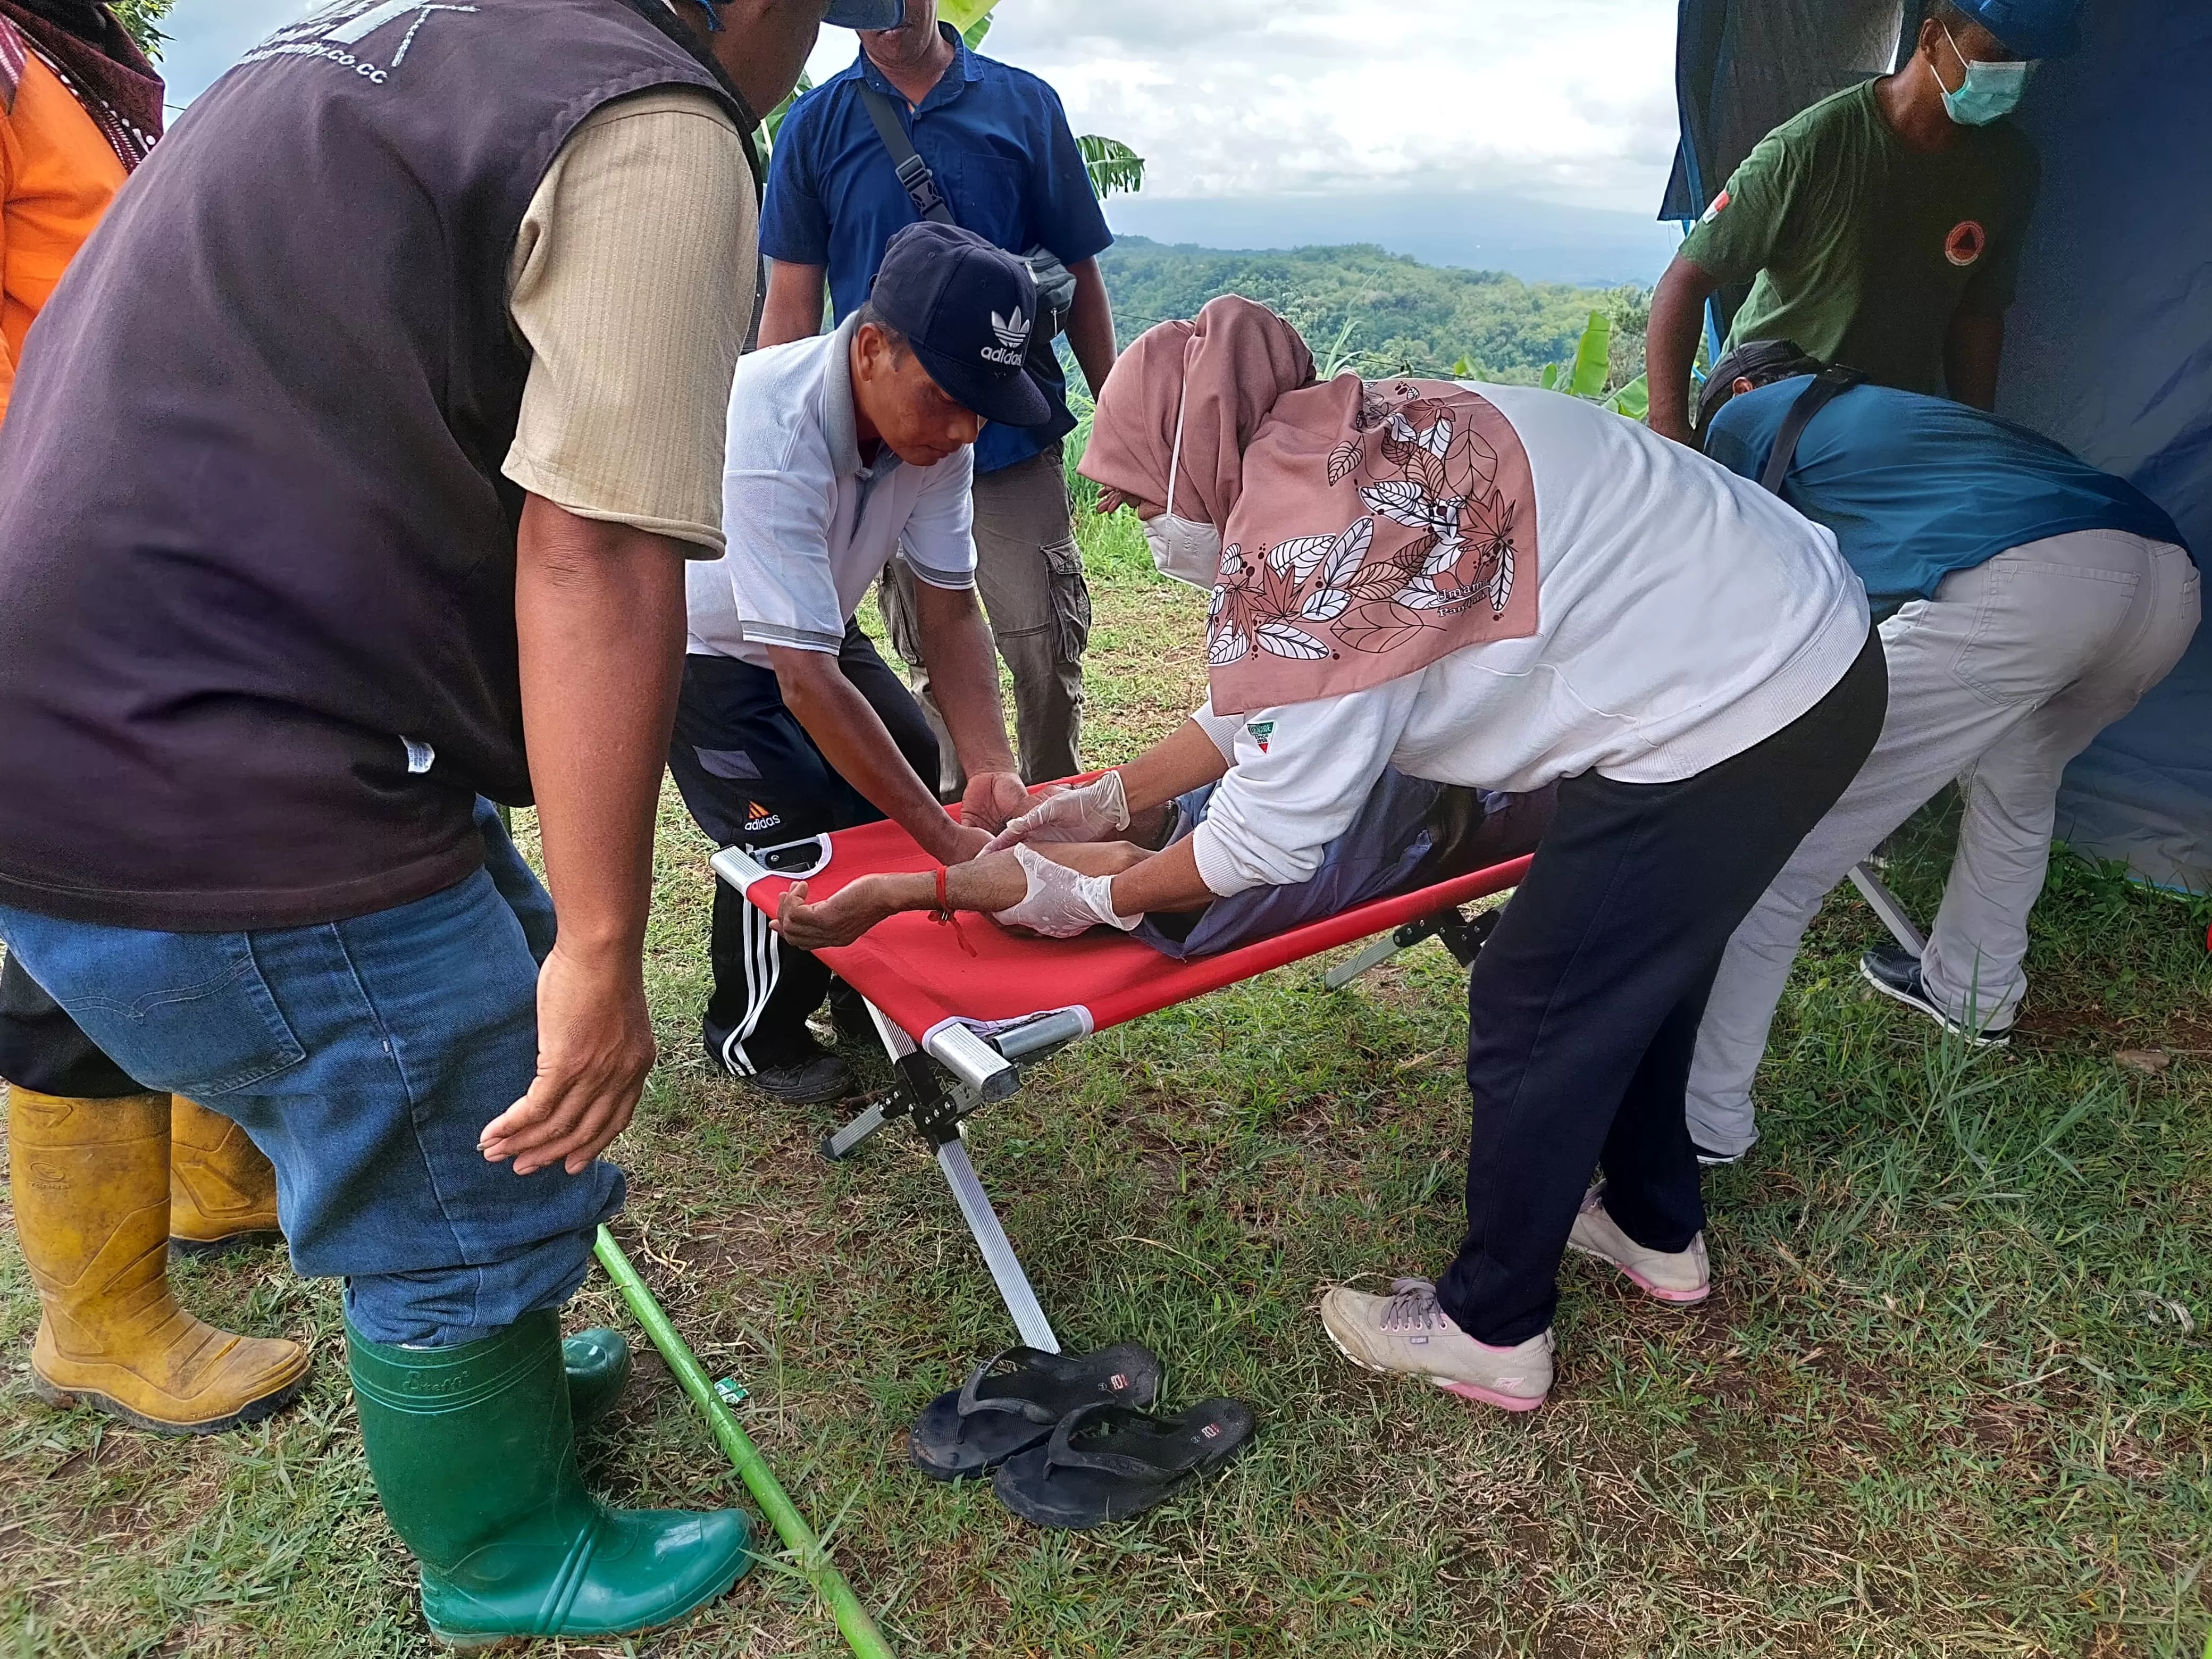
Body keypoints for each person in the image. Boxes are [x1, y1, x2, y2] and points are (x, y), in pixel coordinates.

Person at [0, 0, 900, 1641]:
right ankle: (500, 1541)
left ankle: (478, 1331)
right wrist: (613, 945)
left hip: (89, 709)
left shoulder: (375, 39)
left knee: (489, 977)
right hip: (211, 763)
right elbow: (601, 545)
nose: (809, 67)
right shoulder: (656, 118)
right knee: (455, 1126)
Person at [784, 296, 1890, 1414]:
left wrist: (1099, 894)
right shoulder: (1341, 442)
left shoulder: (1312, 541)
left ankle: (1492, 1327)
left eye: (1124, 480)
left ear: (1189, 448)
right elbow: (1268, 710)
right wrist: (1113, 797)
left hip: (1740, 702)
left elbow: (1269, 831)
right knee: (1632, 971)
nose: (1114, 503)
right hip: (1799, 649)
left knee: (1534, 1003)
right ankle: (1655, 1226)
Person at [0, 0, 315, 1435]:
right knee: (63, 933)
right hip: (38, 578)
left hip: (124, 557)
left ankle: (209, 1179)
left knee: (182, 871)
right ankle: (102, 1321)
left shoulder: (74, 62)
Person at [1679, 342, 2199, 1161]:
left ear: (1743, 387)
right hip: (2167, 584)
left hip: (2030, 586)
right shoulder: (1912, 416)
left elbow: (1732, 572)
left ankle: (1699, 1122)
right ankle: (1973, 992)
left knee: (1777, 849)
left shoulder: (1749, 415)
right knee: (2016, 788)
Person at [672, 220, 1037, 1103]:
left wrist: (988, 765)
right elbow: (800, 681)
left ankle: (857, 982)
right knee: (785, 830)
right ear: (872, 349)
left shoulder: (937, 432)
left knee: (912, 761)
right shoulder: (774, 433)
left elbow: (949, 611)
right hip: (707, 647)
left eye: (981, 406)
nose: (963, 431)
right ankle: (754, 1033)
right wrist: (949, 846)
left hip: (815, 623)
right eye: (948, 399)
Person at [756, 0, 1117, 792]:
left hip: (1011, 435)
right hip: (885, 440)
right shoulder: (815, 127)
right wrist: (781, 447)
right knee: (932, 652)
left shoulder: (1024, 106)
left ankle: (1051, 802)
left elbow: (1080, 278)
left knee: (1042, 646)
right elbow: (791, 306)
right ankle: (965, 807)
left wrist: (1121, 431)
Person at [1644, 0, 2081, 444]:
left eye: (2030, 60)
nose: (2017, 74)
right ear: (1931, 39)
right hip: (1770, 408)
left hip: (1887, 427)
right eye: (2000, 54)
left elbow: (1978, 313)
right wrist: (1669, 432)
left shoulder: (2009, 169)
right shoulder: (1812, 147)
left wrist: (1977, 432)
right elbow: (1685, 281)